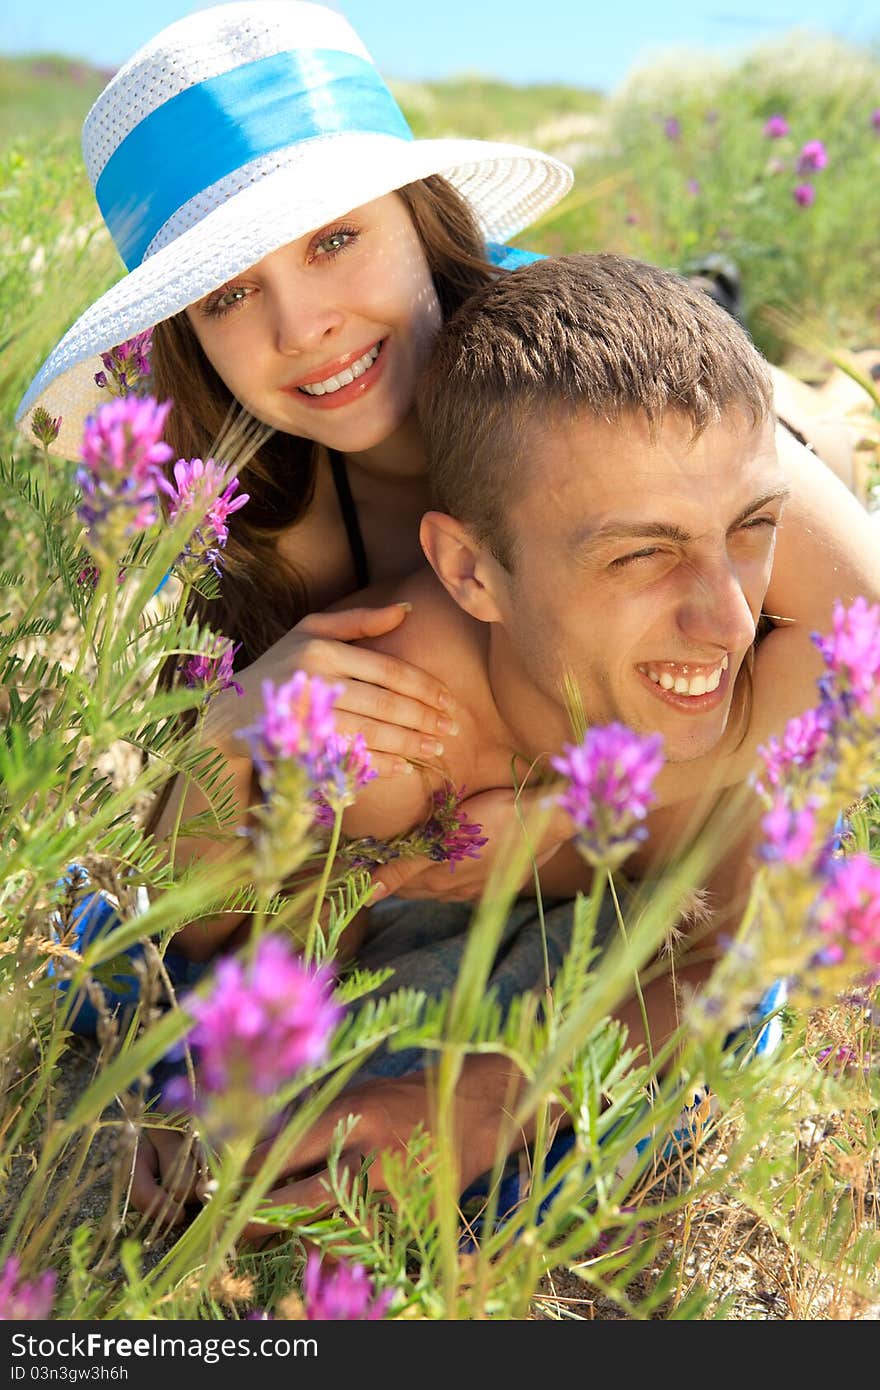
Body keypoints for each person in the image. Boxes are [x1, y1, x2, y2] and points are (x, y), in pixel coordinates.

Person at [14, 2, 877, 1223]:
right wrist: (234, 727)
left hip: (646, 551)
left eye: (333, 241)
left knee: (776, 425)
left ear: (422, 222)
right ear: (191, 342)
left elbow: (859, 636)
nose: (298, 328)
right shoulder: (249, 508)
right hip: (493, 807)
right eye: (224, 297)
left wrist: (618, 778)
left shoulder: (584, 393)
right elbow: (215, 870)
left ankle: (774, 348)